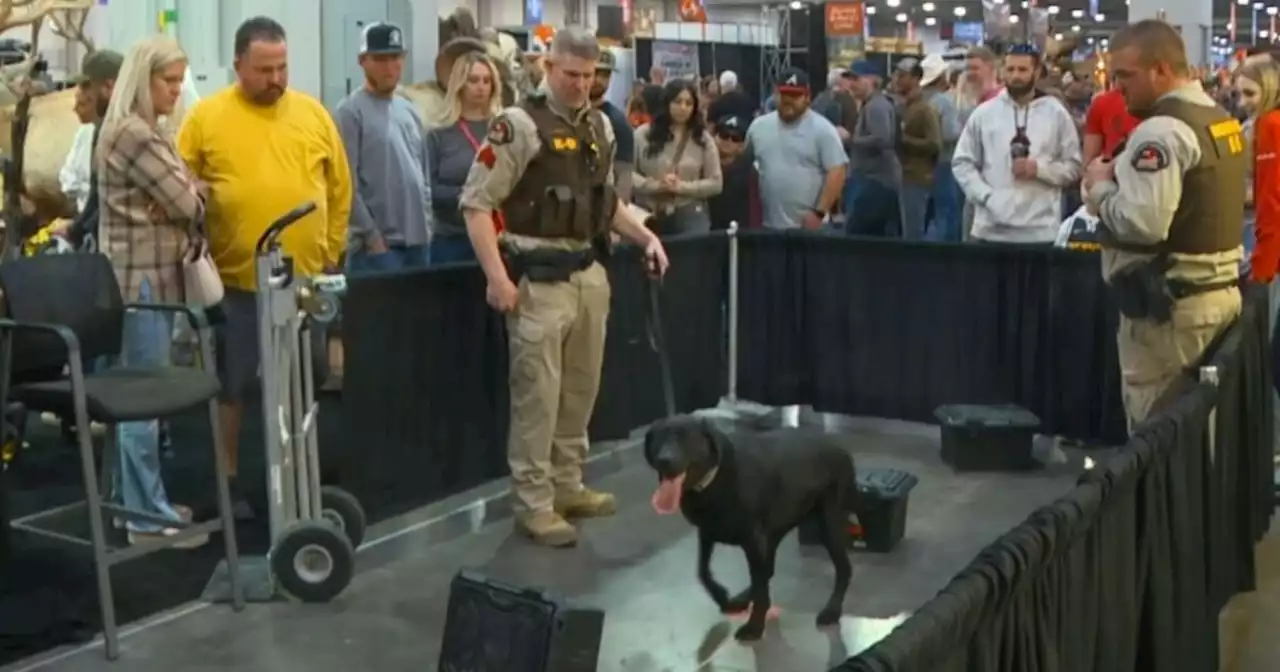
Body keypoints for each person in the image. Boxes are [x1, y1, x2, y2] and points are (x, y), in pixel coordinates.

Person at [459, 27, 670, 548]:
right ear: (547, 68)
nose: (579, 85)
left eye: (588, 75)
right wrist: (497, 278)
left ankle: (568, 484)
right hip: (538, 281)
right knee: (539, 397)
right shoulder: (517, 126)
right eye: (570, 74)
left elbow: (605, 204)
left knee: (580, 391)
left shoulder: (600, 126)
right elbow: (477, 204)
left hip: (589, 274)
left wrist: (645, 237)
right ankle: (534, 503)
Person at [177, 17, 352, 516]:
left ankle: (300, 474)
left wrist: (331, 250)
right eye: (264, 69)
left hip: (302, 279)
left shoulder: (313, 115)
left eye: (282, 67)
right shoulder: (206, 119)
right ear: (238, 65)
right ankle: (226, 480)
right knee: (231, 383)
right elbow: (179, 183)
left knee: (306, 377)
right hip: (234, 278)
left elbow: (339, 189)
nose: (276, 78)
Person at [1082, 20, 1246, 428]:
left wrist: (1101, 190)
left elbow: (1142, 224)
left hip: (1170, 315)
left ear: (1160, 69)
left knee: (1158, 435)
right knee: (1202, 437)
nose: (1118, 88)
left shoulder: (1161, 131)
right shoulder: (1217, 116)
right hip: (1212, 301)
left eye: (1125, 76)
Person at [97, 35, 206, 548]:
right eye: (169, 82)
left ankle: (129, 504)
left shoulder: (125, 131)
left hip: (134, 277)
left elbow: (179, 196)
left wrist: (180, 195)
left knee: (131, 399)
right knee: (143, 400)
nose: (177, 93)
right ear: (144, 80)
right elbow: (190, 202)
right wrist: (187, 196)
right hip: (144, 282)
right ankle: (145, 515)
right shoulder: (137, 135)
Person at [952, 44, 1081, 245]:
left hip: (1040, 231)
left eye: (1022, 70)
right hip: (989, 230)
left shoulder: (1056, 114)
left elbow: (1074, 167)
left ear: (1036, 72)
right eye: (1010, 69)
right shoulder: (984, 114)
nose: (1015, 76)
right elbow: (962, 163)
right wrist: (985, 196)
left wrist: (1039, 170)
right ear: (1002, 71)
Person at [334, 22, 431, 275]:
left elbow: (423, 172)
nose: (390, 67)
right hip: (379, 249)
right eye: (380, 59)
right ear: (363, 61)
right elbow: (347, 185)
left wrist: (428, 223)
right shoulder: (350, 112)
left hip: (418, 242)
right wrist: (372, 237)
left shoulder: (409, 109)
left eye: (395, 57)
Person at [427, 49, 504, 264]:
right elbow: (429, 190)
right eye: (473, 80)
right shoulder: (439, 133)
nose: (481, 87)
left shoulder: (504, 130)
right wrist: (472, 196)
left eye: (486, 81)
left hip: (498, 237)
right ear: (460, 84)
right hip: (452, 240)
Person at [745, 68, 847, 231]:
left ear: (807, 97)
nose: (788, 100)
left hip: (809, 227)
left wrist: (819, 213)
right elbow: (745, 165)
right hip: (767, 226)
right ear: (775, 95)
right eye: (783, 94)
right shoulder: (758, 127)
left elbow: (837, 172)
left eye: (795, 96)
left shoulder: (823, 129)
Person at [633, 79, 722, 235]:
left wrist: (682, 187)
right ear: (667, 103)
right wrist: (656, 186)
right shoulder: (643, 134)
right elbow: (628, 174)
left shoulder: (703, 139)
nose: (683, 108)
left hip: (689, 213)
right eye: (677, 101)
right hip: (649, 214)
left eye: (688, 103)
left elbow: (716, 182)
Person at [1234, 58, 1280, 284]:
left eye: (1250, 94)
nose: (1242, 102)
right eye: (1239, 94)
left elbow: (1270, 196)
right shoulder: (1255, 125)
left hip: (1260, 235)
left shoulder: (1269, 126)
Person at [846, 60, 901, 236]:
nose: (851, 84)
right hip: (874, 180)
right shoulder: (872, 104)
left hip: (875, 182)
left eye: (856, 79)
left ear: (870, 80)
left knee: (861, 236)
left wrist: (851, 140)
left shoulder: (876, 106)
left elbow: (882, 139)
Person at [893, 58, 942, 241]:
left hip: (917, 176)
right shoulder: (904, 107)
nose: (897, 79)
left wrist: (904, 140)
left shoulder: (924, 110)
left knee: (913, 232)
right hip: (903, 174)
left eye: (902, 76)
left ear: (915, 79)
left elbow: (935, 143)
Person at [591, 50, 636, 203]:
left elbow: (624, 177)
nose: (598, 80)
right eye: (595, 72)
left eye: (605, 75)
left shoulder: (618, 123)